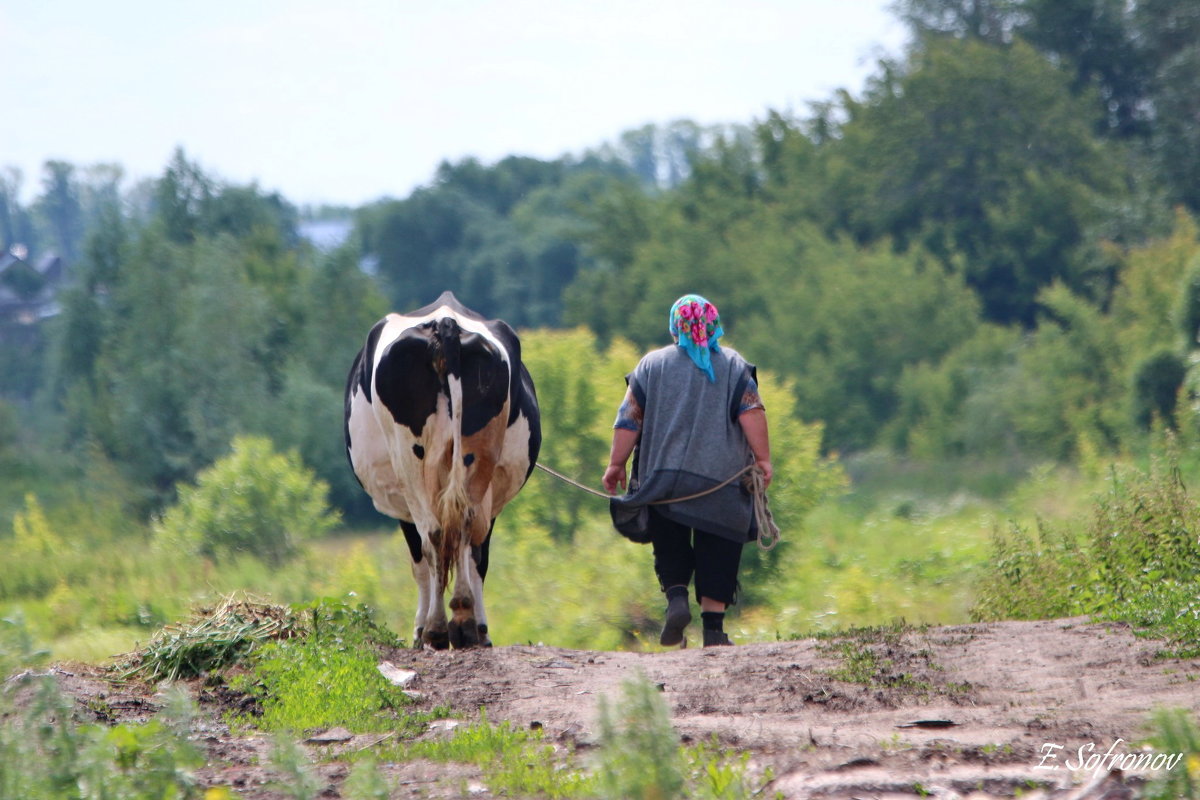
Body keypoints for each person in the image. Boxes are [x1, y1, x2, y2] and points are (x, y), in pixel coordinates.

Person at [603, 294, 772, 648]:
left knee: (670, 537)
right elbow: (752, 412)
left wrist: (616, 464)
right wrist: (763, 459)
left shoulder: (652, 365)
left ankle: (677, 599)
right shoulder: (734, 365)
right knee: (721, 542)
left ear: (674, 326)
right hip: (721, 481)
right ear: (714, 326)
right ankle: (713, 629)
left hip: (666, 478)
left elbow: (629, 419)